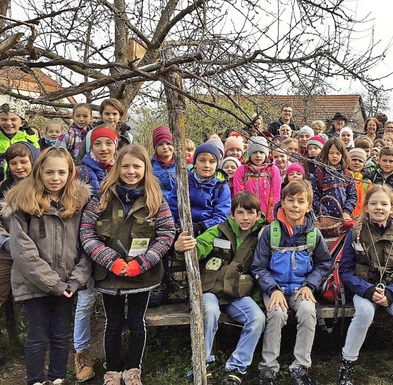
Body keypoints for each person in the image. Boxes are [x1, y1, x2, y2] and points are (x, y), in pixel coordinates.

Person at [79, 144, 175, 385]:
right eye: (125, 166)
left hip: (142, 275)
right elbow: (86, 235)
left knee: (135, 322)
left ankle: (133, 369)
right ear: (116, 167)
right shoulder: (100, 199)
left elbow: (166, 233)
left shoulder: (155, 200)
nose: (130, 171)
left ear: (145, 169)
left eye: (136, 166)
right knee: (113, 323)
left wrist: (142, 263)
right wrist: (110, 260)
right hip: (109, 275)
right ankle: (112, 370)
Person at [6, 147, 91, 385]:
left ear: (70, 173)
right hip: (33, 284)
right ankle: (35, 380)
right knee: (37, 336)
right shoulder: (23, 203)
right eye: (49, 172)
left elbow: (87, 245)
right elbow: (23, 251)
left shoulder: (79, 203)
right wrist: (51, 283)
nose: (55, 178)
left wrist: (76, 280)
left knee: (61, 335)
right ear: (39, 172)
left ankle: (57, 378)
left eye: (61, 172)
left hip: (67, 284)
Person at [174, 192, 266, 384]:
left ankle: (237, 367)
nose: (245, 218)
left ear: (258, 215)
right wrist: (182, 248)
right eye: (240, 213)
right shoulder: (218, 231)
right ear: (232, 215)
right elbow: (197, 249)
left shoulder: (261, 235)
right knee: (209, 311)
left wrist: (260, 298)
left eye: (250, 213)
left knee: (257, 318)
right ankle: (202, 362)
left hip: (238, 293)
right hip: (211, 289)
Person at [337, 185, 393, 385]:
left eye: (384, 204)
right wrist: (366, 290)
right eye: (373, 203)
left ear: (392, 208)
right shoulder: (356, 232)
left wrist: (392, 292)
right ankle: (347, 366)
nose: (379, 208)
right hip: (364, 289)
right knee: (365, 313)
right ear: (365, 207)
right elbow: (345, 270)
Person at [251, 180, 331, 385]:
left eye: (301, 201)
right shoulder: (271, 232)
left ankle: (300, 367)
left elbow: (324, 264)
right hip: (275, 288)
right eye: (291, 200)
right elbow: (258, 267)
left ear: (308, 206)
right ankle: (268, 368)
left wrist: (309, 285)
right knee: (276, 313)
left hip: (301, 289)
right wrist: (272, 289)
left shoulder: (314, 234)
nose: (295, 205)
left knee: (307, 312)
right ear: (282, 203)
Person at [0, 142, 40, 371]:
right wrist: (5, 241)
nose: (19, 167)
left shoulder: (44, 185)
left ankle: (41, 344)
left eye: (23, 161)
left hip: (39, 253)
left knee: (40, 301)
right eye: (14, 163)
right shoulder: (0, 189)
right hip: (7, 253)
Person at [73, 126, 118, 381]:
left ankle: (119, 345)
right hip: (87, 241)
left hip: (115, 242)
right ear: (91, 146)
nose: (104, 148)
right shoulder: (82, 171)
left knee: (117, 297)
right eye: (98, 143)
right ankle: (81, 352)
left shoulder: (121, 167)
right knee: (87, 300)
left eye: (108, 143)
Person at [169, 142, 231, 235]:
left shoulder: (221, 187)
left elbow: (222, 216)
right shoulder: (184, 182)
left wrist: (202, 226)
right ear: (194, 163)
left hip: (208, 231)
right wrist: (174, 226)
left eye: (212, 161)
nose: (207, 165)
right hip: (181, 228)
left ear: (217, 165)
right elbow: (172, 208)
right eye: (202, 160)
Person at [233, 136, 281, 223]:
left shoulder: (273, 170)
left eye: (261, 152)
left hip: (267, 217)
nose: (258, 155)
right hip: (247, 217)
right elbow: (239, 195)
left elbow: (275, 196)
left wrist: (271, 218)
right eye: (254, 152)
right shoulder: (242, 170)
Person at [312, 137, 356, 221]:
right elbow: (314, 196)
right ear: (326, 153)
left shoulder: (347, 174)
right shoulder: (320, 172)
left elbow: (352, 195)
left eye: (338, 153)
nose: (334, 156)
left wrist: (347, 211)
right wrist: (324, 213)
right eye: (331, 153)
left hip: (344, 218)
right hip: (324, 219)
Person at [0, 102, 39, 183]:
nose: (8, 123)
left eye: (13, 119)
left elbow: (38, 164)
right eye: (4, 119)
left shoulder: (30, 141)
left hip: (24, 187)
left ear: (22, 122)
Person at [364, 147, 393, 218]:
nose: (387, 164)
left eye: (391, 161)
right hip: (375, 211)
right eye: (384, 160)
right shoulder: (373, 175)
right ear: (379, 161)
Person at [151, 125, 177, 197]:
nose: (165, 147)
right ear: (155, 148)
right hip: (159, 204)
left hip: (177, 204)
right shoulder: (150, 166)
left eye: (168, 143)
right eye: (160, 144)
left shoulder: (181, 165)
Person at [348, 148, 371, 218]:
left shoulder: (366, 182)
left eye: (360, 161)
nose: (357, 162)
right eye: (354, 159)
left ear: (364, 164)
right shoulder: (342, 177)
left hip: (360, 217)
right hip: (345, 215)